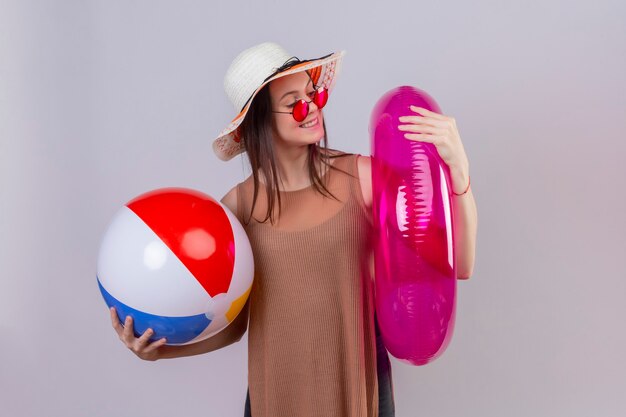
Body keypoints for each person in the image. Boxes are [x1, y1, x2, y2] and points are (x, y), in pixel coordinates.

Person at [110, 42, 478, 417]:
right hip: (275, 395)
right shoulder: (236, 209)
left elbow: (458, 263)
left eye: (314, 94)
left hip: (357, 387)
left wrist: (459, 175)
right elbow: (234, 327)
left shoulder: (362, 178)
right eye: (295, 103)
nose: (313, 107)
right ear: (260, 121)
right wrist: (164, 352)